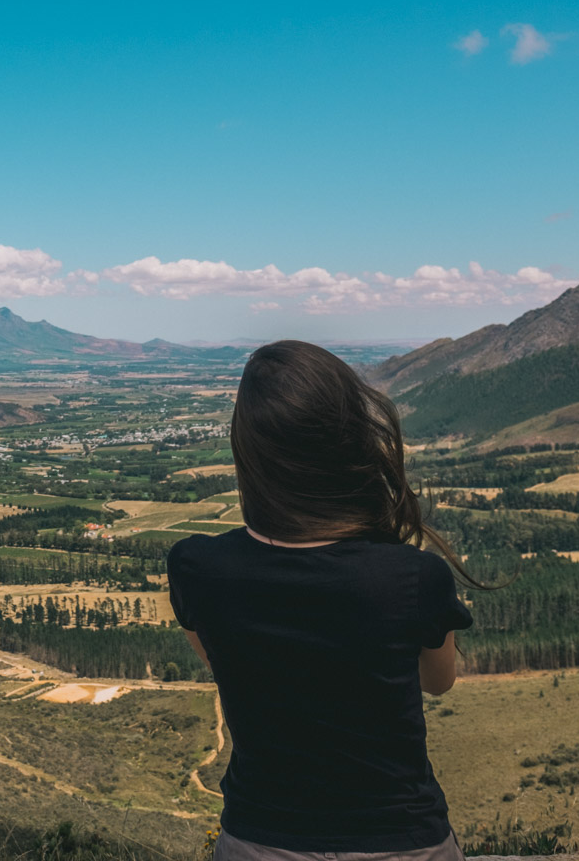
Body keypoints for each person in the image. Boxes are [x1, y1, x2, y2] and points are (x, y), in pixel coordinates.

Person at [168, 340, 484, 861]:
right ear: (352, 441)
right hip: (402, 841)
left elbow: (226, 663)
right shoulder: (412, 575)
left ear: (249, 450)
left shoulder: (197, 568)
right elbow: (439, 682)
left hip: (259, 840)